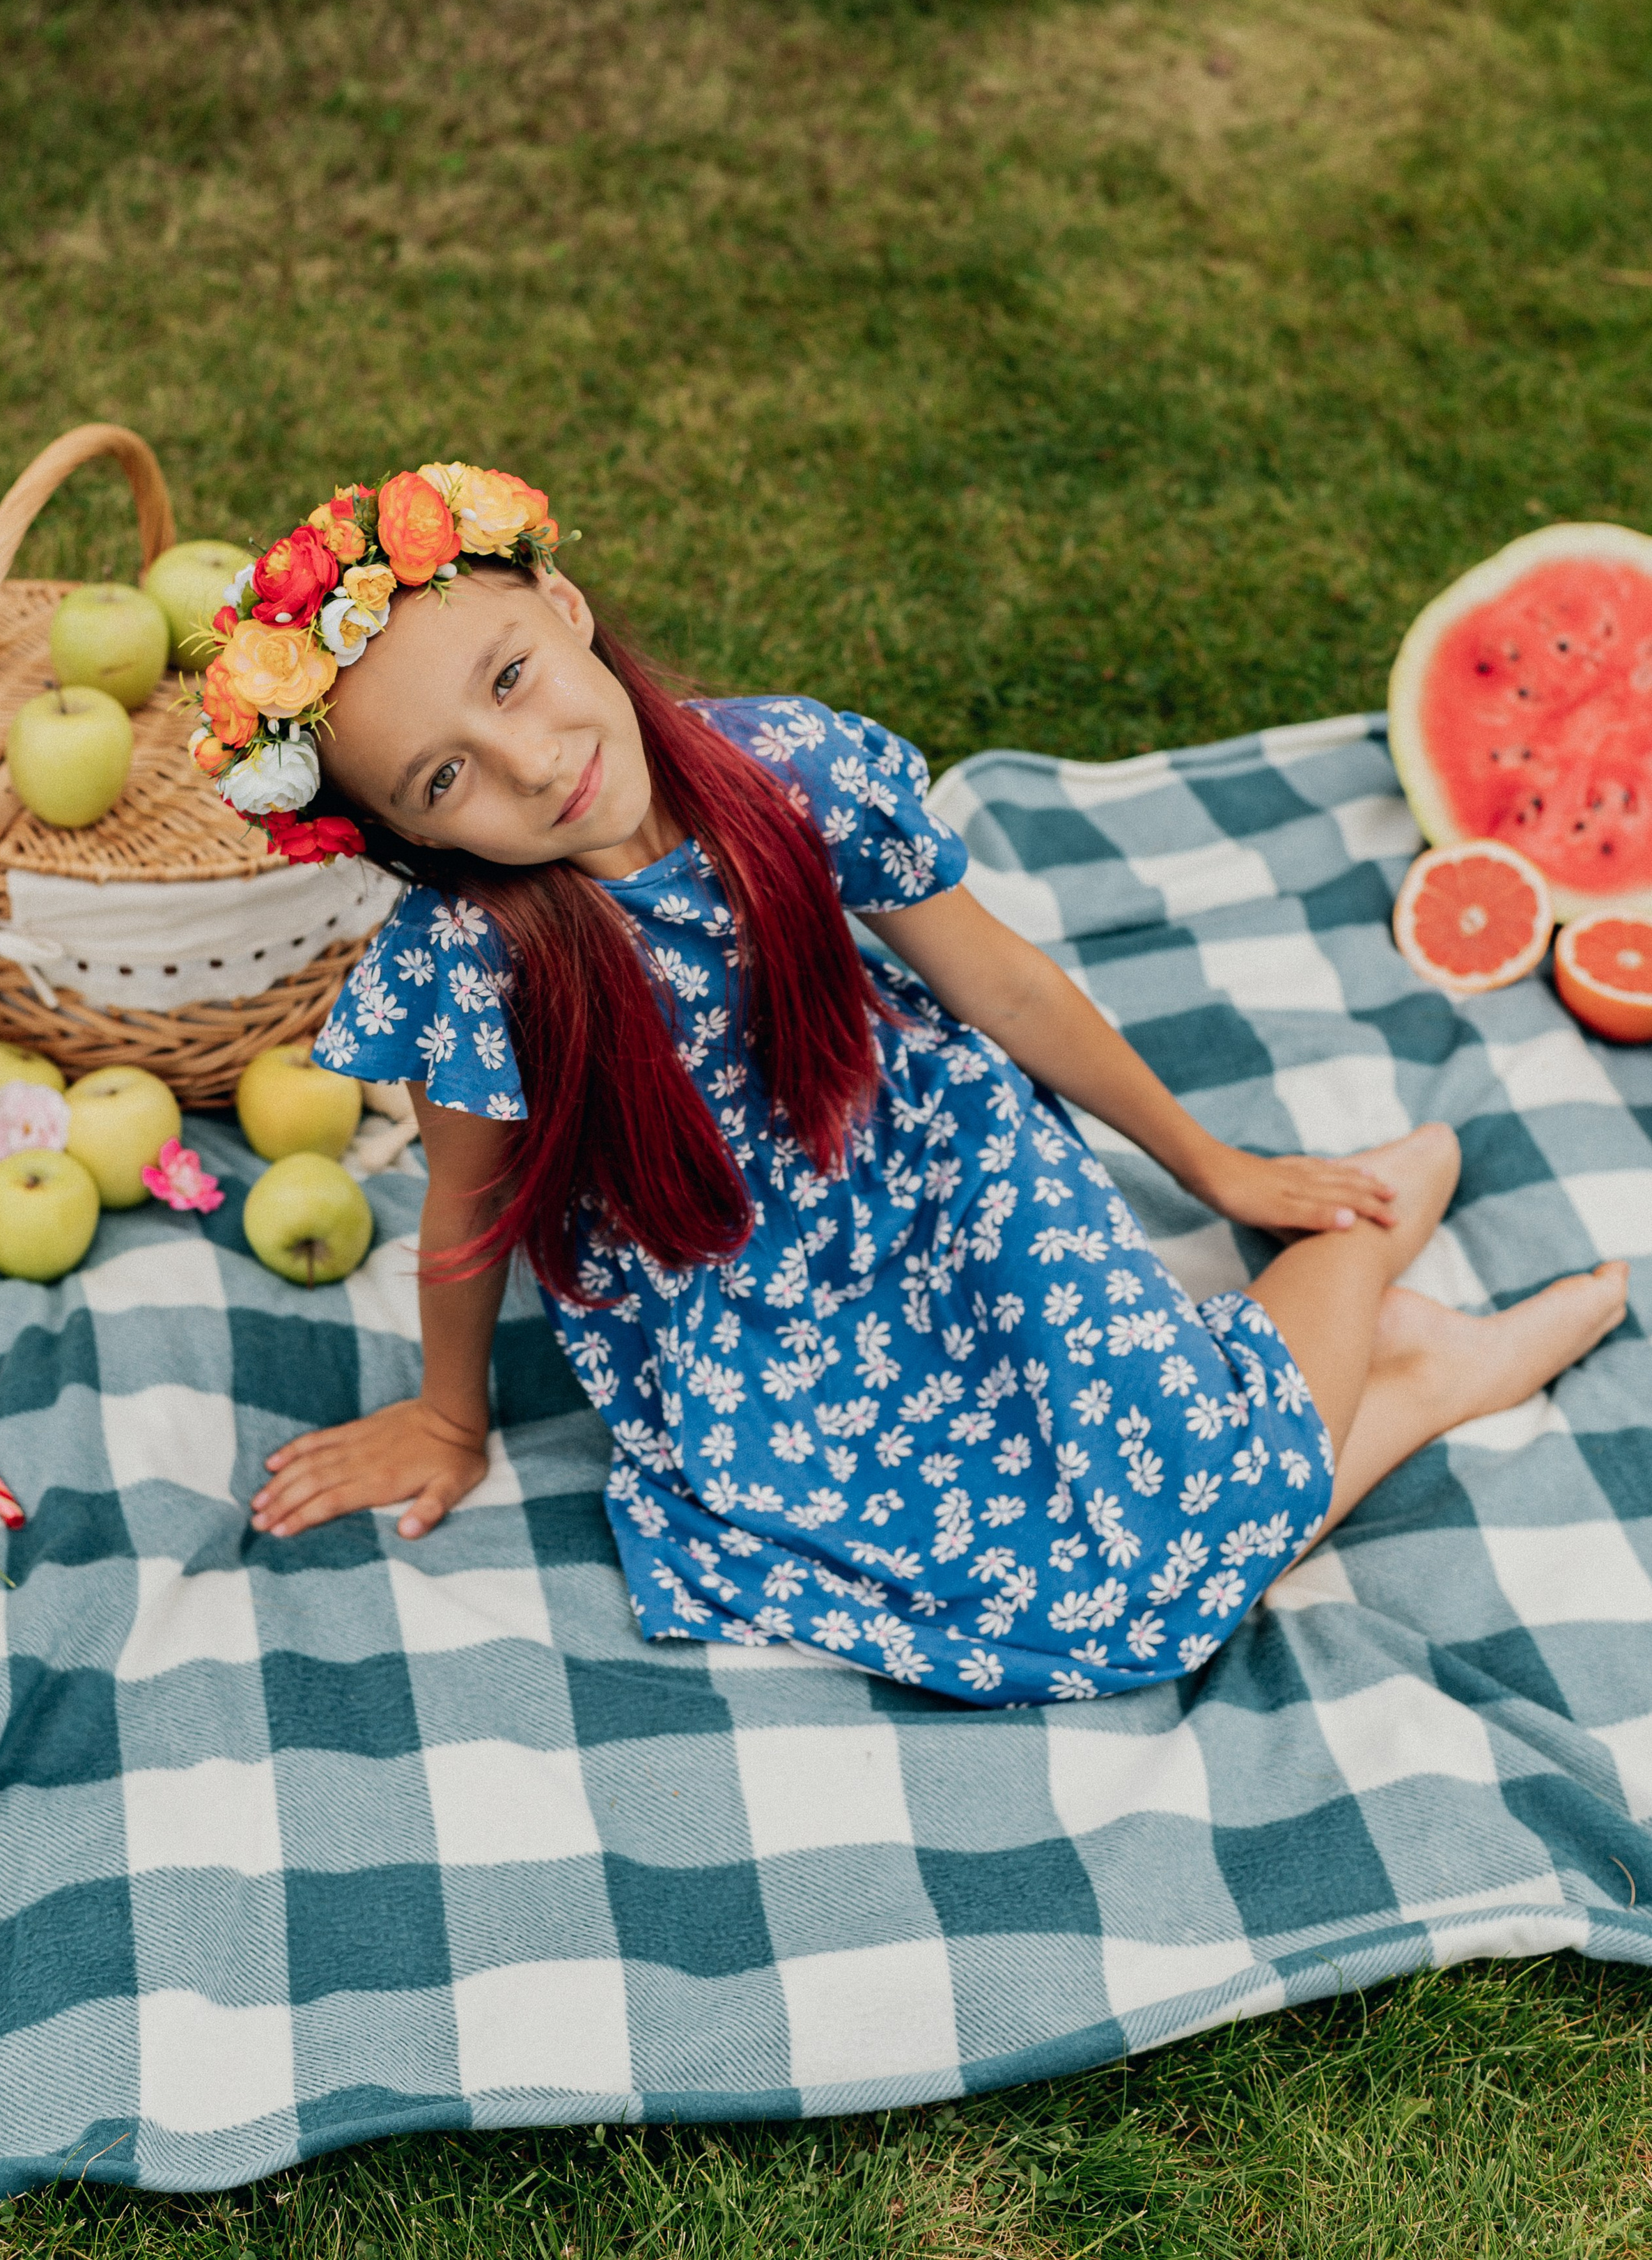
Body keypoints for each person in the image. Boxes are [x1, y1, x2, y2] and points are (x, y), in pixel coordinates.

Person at [192, 463, 1628, 1704]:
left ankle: (1360, 1257)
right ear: (404, 835)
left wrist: (1214, 1169)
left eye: (510, 676)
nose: (528, 760)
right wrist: (450, 1416)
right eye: (445, 780)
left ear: (563, 609)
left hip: (943, 1175)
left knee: (1160, 1506)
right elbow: (468, 1202)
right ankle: (1411, 1351)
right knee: (1065, 1607)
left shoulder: (796, 772)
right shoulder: (476, 959)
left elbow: (999, 983)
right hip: (735, 1301)